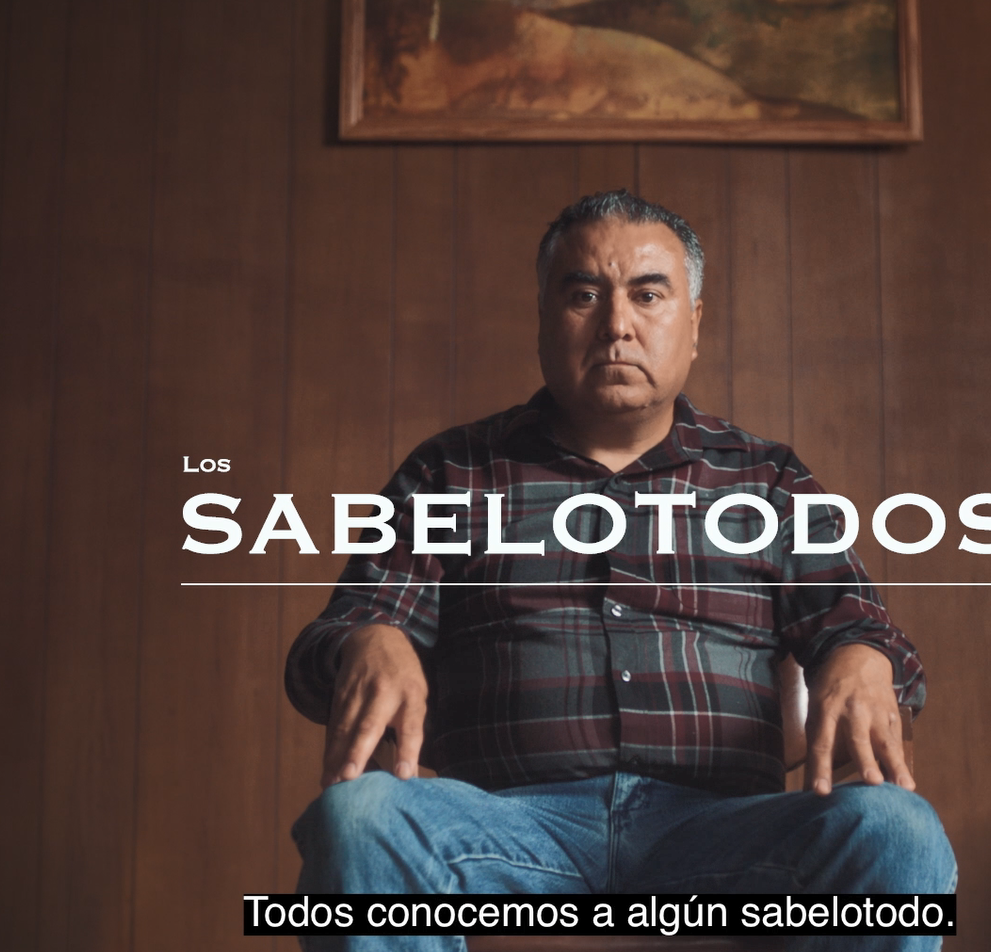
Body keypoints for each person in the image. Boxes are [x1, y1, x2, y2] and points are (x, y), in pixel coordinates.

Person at [284, 190, 956, 950]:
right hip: (504, 828)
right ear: (543, 320)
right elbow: (324, 652)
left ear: (693, 323)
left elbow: (858, 624)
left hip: (725, 838)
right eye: (582, 295)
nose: (616, 325)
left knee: (898, 831)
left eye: (647, 294)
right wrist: (368, 636)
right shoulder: (451, 472)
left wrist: (861, 653)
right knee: (361, 815)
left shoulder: (765, 480)